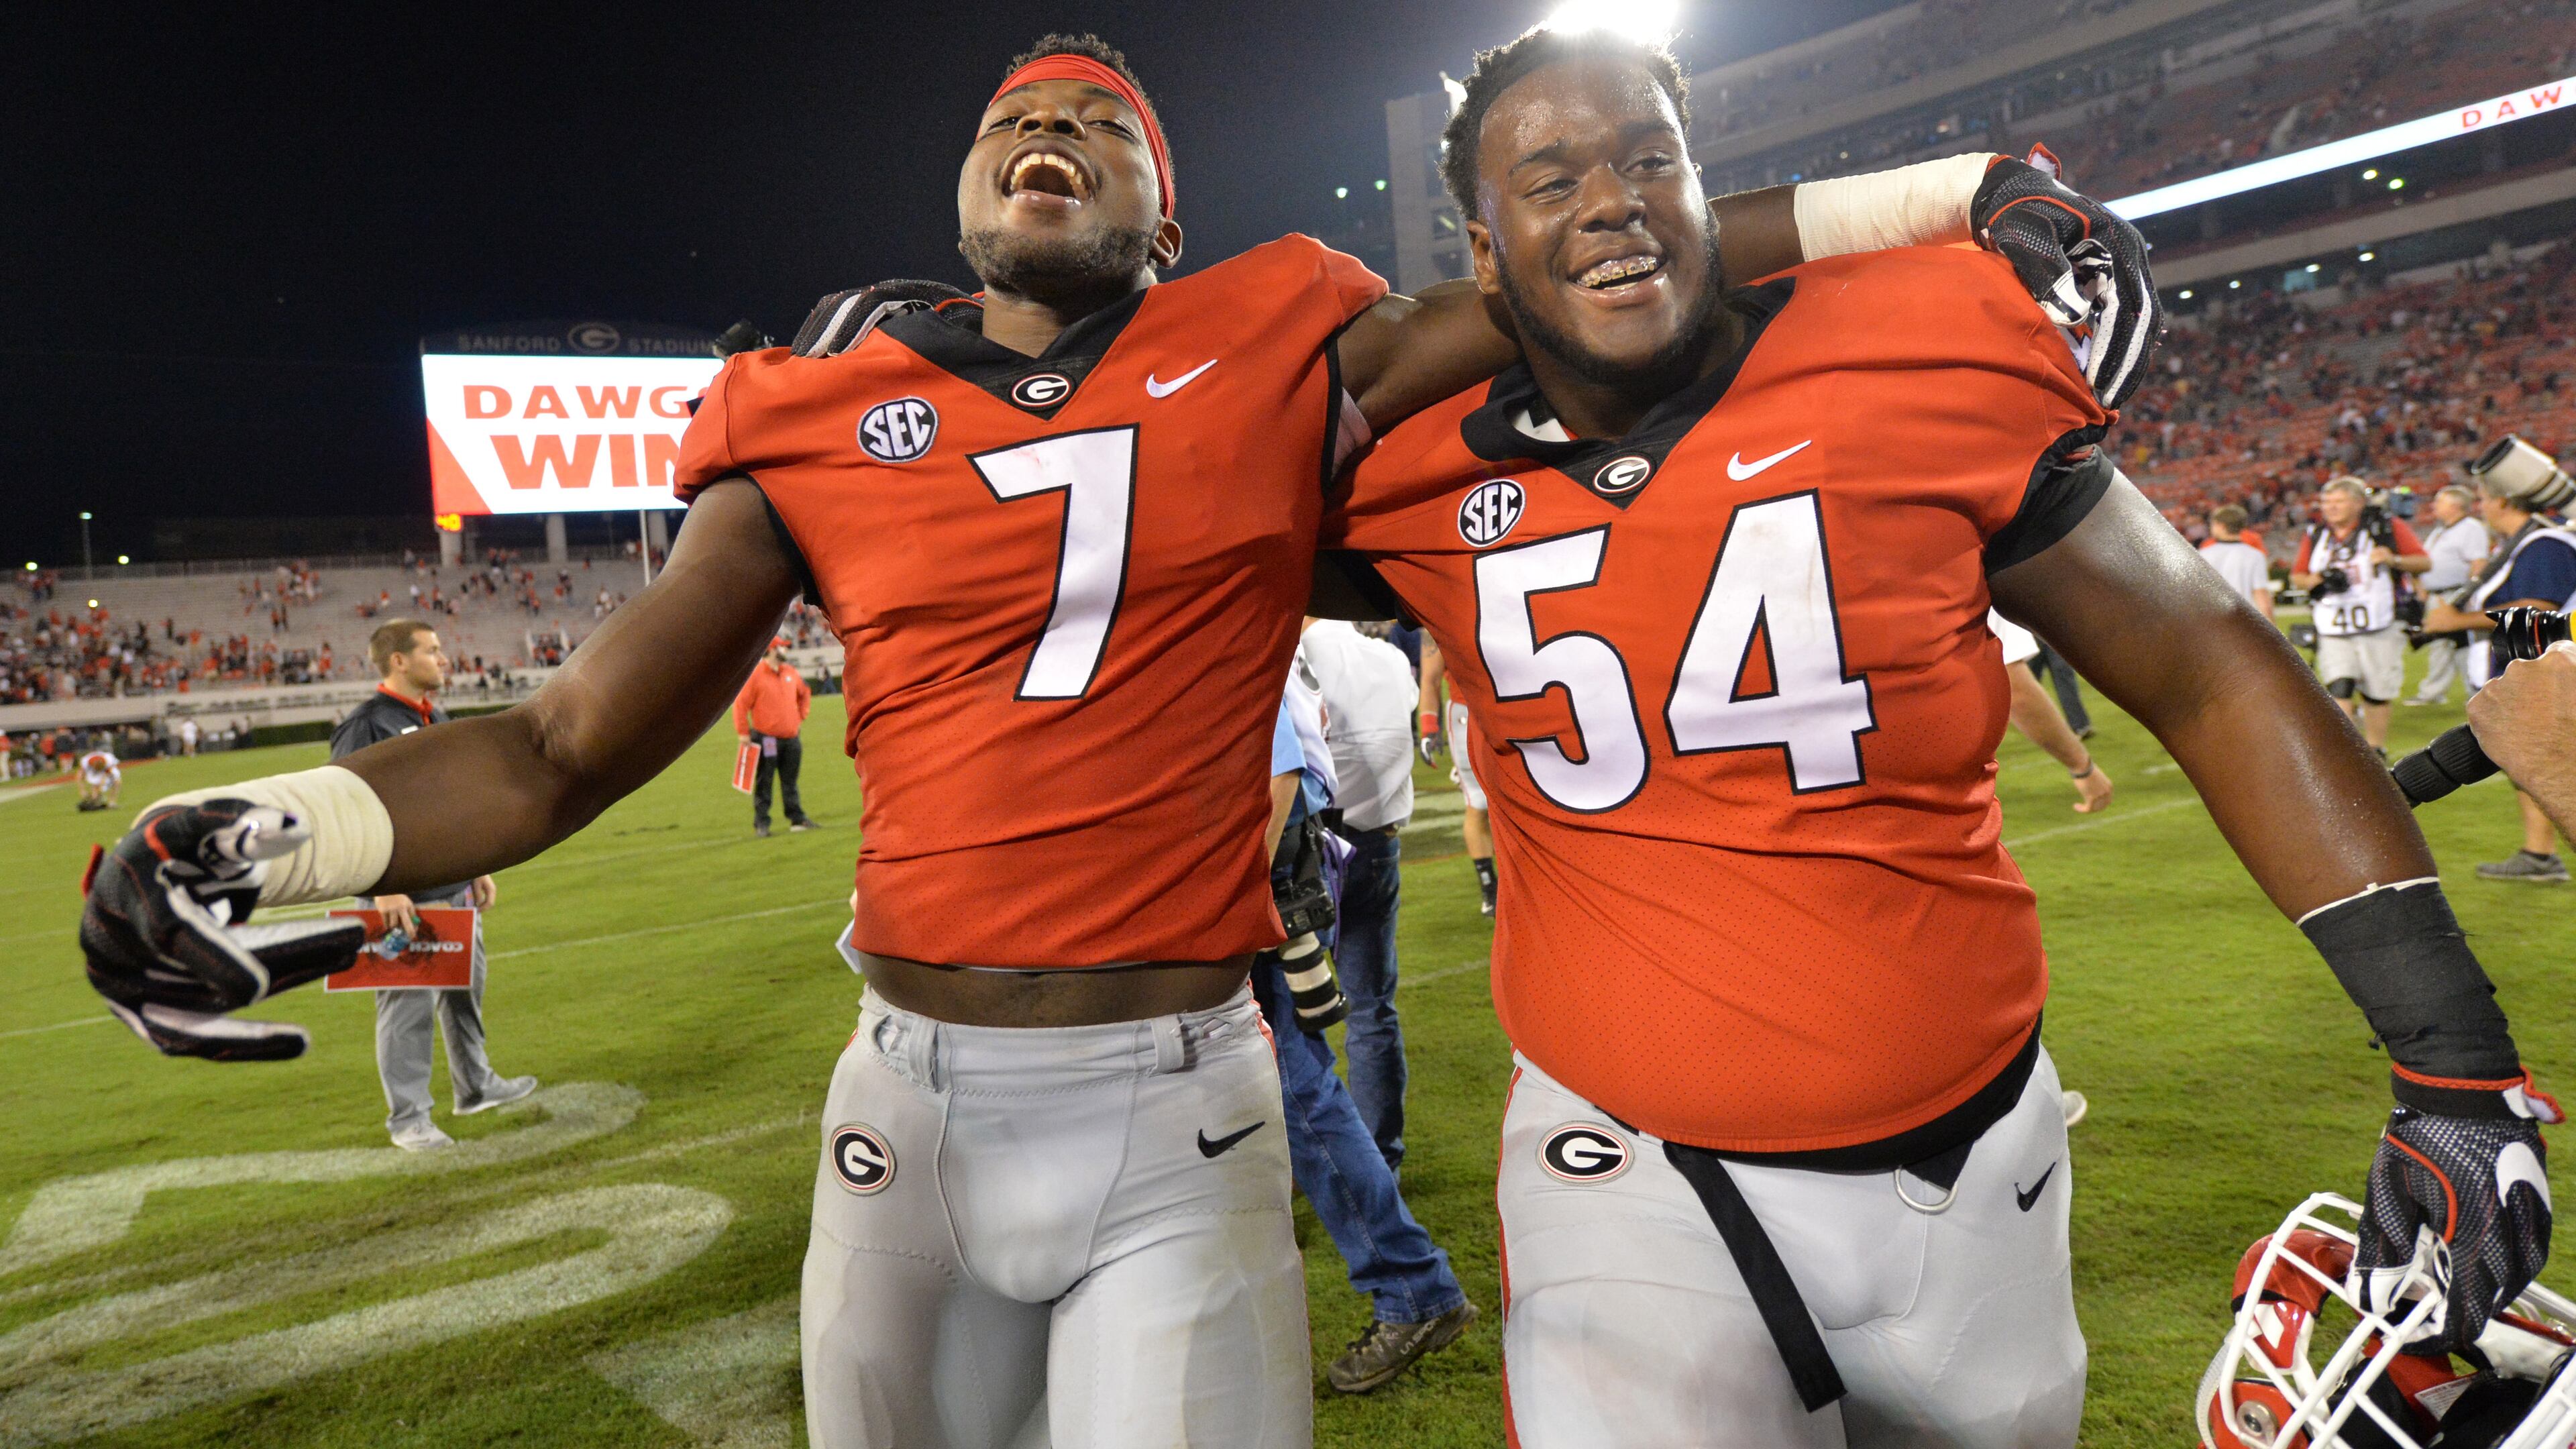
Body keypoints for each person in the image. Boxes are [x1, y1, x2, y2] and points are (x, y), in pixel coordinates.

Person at [76, 31, 2163, 1449]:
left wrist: (1943, 191)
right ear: (968, 198)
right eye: (1008, 124)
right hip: (901, 1093)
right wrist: (270, 825)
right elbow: (552, 750)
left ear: (1165, 213)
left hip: (1180, 1097)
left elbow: (1591, 261)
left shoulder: (1272, 339)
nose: (1044, 129)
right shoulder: (809, 408)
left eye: (1099, 118)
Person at [1318, 29, 2552, 1446]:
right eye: (1550, 183)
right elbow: (1188, 457)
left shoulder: (1911, 343)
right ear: (1481, 249)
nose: (1610, 199)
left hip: (1975, 1168)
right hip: (1626, 1174)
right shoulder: (1404, 471)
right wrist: (1931, 189)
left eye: (1651, 162)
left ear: (1705, 191)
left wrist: (2456, 1065)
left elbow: (2211, 669)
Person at [1260, 677, 1477, 1391]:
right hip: (1296, 869)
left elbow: (1281, 773)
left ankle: (1413, 1286)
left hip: (1270, 888)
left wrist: (1241, 902)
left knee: (1298, 1088)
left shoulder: (1222, 629)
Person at [331, 619, 536, 1150]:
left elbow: (450, 806)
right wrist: (382, 886)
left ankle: (476, 1087)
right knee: (406, 1007)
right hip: (402, 897)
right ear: (398, 661)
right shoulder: (367, 725)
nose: (444, 659)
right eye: (432, 650)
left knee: (466, 992)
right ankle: (409, 1120)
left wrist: (476, 863)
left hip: (453, 886)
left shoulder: (434, 716)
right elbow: (345, 810)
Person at [2418, 437, 2576, 883]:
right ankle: (2539, 855)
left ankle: (2542, 856)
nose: (2481, 507)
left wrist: (2457, 620)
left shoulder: (2545, 542)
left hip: (2541, 674)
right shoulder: (2526, 543)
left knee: (2542, 764)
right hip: (2520, 672)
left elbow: (2540, 608)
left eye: (2485, 498)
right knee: (2527, 765)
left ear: (2504, 500)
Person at [1297, 616, 1419, 1168]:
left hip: (1308, 851)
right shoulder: (1390, 659)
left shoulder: (1296, 656)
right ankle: (1380, 1161)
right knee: (1373, 1011)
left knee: (1292, 1013)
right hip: (1376, 845)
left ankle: (1318, 1158)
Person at [2291, 476, 2430, 753]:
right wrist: (2314, 581)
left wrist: (2393, 560)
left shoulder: (2386, 529)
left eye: (2339, 501)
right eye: (2326, 502)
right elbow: (2298, 575)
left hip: (2379, 623)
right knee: (2339, 686)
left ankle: (2376, 747)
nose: (2330, 508)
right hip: (2334, 624)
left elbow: (2424, 562)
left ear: (2358, 503)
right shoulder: (2317, 535)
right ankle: (2350, 751)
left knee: (2377, 691)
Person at [1993, 612, 2111, 814]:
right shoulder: (1969, 590)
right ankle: (2079, 725)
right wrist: (2082, 767)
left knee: (2060, 675)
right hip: (1942, 788)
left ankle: (2080, 724)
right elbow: (2014, 690)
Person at [1417, 636, 1498, 916]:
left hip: (1512, 706)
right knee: (1478, 802)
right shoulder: (1435, 611)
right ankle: (1490, 888)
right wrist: (1429, 727)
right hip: (1466, 713)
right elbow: (1430, 678)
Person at [2405, 484, 2491, 705]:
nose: (2434, 506)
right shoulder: (2441, 530)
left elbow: (2478, 563)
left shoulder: (2470, 527)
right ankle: (2434, 693)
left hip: (2457, 593)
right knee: (2439, 644)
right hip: (2439, 595)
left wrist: (2469, 595)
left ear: (2455, 505)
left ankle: (2476, 690)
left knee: (2464, 643)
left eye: (2440, 502)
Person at [733, 635, 816, 838]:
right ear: (771, 650)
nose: (785, 651)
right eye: (782, 648)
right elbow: (741, 705)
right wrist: (743, 732)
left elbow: (805, 693)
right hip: (767, 739)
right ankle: (762, 823)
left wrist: (800, 717)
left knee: (790, 781)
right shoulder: (756, 675)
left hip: (791, 738)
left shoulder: (791, 672)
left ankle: (797, 818)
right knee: (765, 781)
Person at [2199, 503, 2275, 623]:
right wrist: (2271, 627)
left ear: (2221, 526)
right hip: (2244, 620)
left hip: (2212, 621)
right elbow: (2261, 594)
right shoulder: (2255, 555)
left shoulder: (2204, 554)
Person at [76, 746, 121, 812]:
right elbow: (79, 777)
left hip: (108, 768)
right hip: (93, 768)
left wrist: (101, 787)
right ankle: (95, 801)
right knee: (96, 787)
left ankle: (112, 803)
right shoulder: (86, 762)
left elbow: (106, 776)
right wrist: (82, 791)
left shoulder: (109, 760)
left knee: (117, 782)